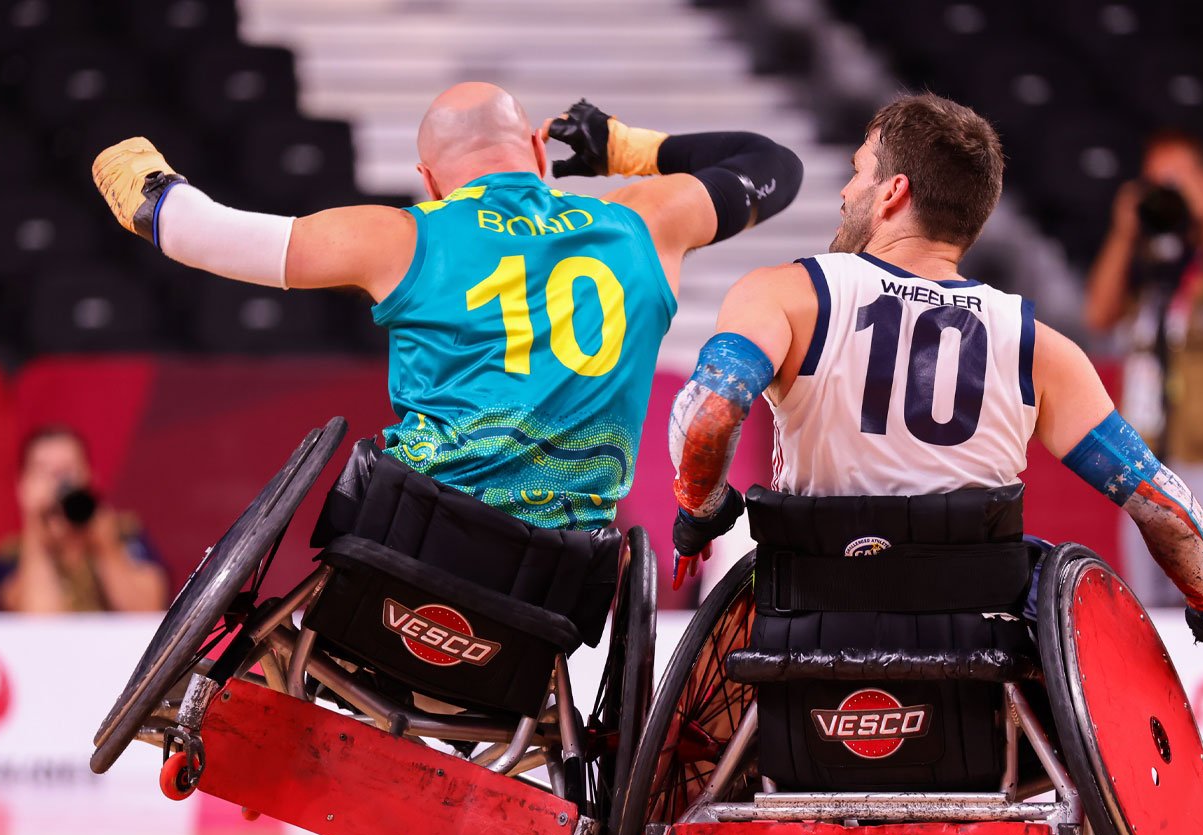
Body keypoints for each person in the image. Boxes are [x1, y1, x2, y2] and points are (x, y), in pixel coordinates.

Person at [665, 94, 1203, 692]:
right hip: (975, 667)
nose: (846, 192)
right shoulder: (1040, 347)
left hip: (807, 640)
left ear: (893, 193)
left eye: (857, 172)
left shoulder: (784, 294)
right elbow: (1162, 505)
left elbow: (710, 416)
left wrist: (702, 514)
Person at [90, 83, 802, 530]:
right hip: (570, 567)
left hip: (419, 537)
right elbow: (775, 165)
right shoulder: (645, 222)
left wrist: (146, 186)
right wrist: (626, 147)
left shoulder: (405, 236)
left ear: (429, 181)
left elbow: (201, 233)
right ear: (536, 150)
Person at [1083, 128, 1203, 607]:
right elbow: (1099, 313)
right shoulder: (1145, 259)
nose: (1165, 193)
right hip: (1145, 454)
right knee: (1146, 599)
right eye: (1155, 183)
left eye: (1176, 181)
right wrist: (1125, 231)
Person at [0, 426, 168, 613]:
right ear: (23, 485)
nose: (57, 483)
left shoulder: (125, 534)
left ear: (90, 476)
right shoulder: (12, 554)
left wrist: (105, 545)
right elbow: (37, 626)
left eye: (68, 471)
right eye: (43, 471)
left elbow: (146, 613)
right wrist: (36, 526)